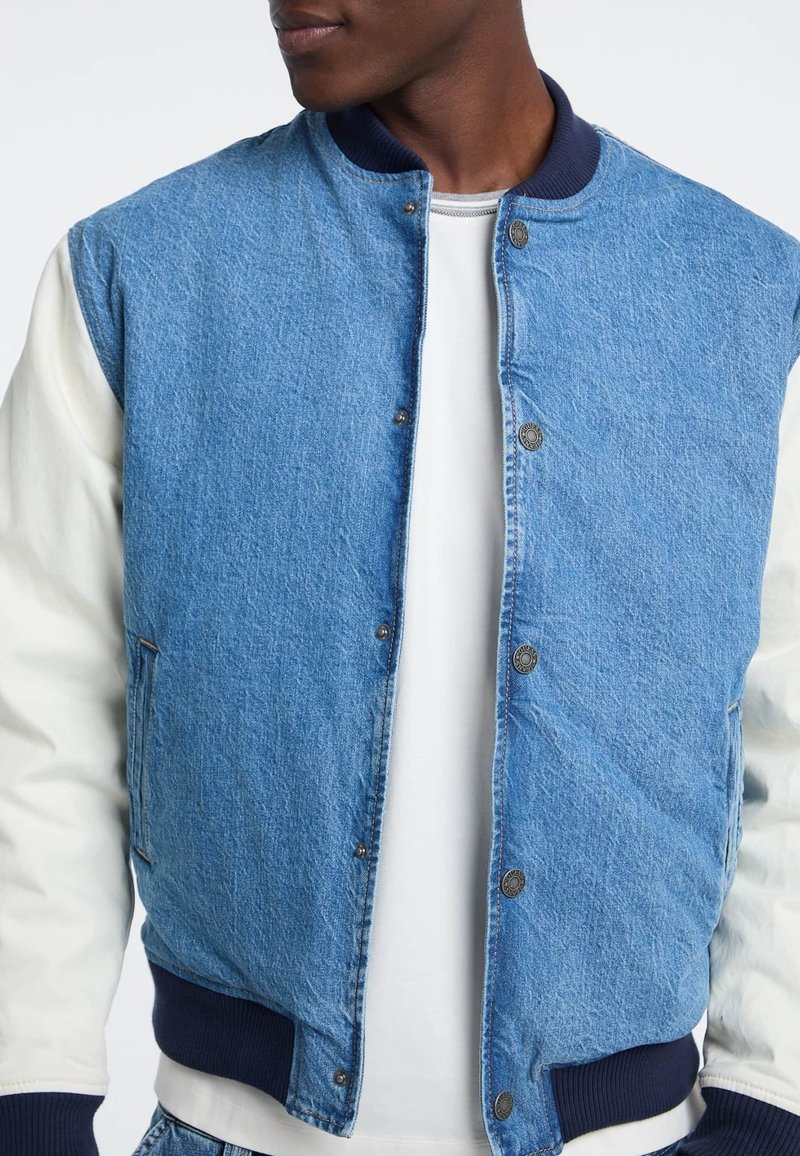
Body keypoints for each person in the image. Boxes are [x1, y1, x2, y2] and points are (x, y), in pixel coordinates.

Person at [1, 1, 799, 1154]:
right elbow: (37, 716)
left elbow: (784, 731)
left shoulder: (747, 294)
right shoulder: (138, 270)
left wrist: (769, 1099)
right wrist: (30, 1094)